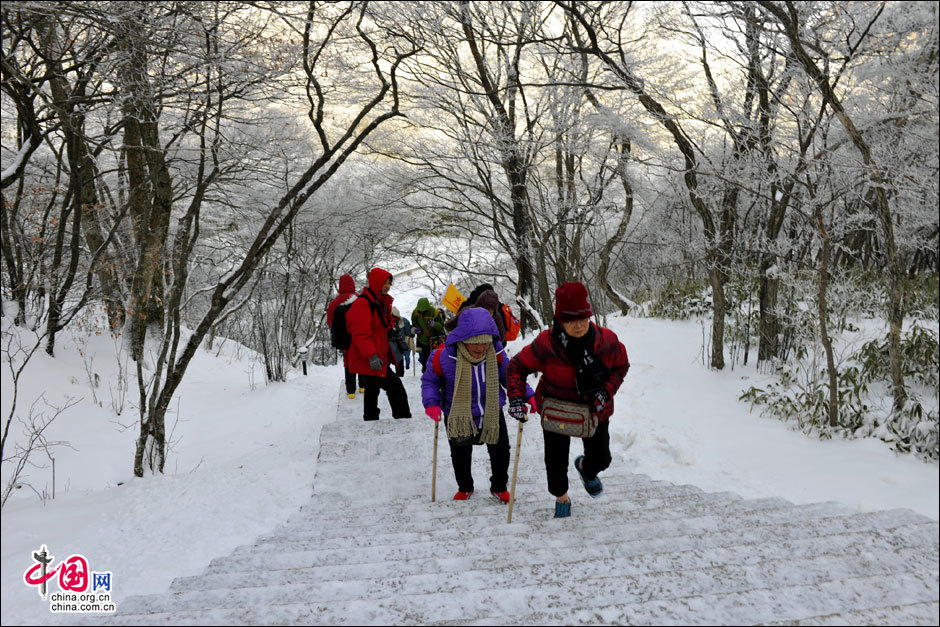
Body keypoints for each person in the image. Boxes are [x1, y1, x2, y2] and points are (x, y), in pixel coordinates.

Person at [507, 282, 629, 518]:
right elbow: (516, 367)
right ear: (559, 320)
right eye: (571, 319)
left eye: (583, 317)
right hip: (556, 409)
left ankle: (586, 468)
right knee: (555, 464)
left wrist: (606, 391)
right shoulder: (546, 344)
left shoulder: (606, 341)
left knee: (602, 459)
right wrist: (516, 398)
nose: (579, 324)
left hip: (595, 410)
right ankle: (561, 496)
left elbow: (621, 367)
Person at [422, 307, 533, 502]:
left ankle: (499, 486)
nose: (480, 347)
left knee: (501, 451)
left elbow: (511, 377)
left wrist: (528, 395)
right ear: (463, 338)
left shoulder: (496, 354)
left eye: (484, 342)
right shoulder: (444, 356)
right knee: (460, 452)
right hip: (458, 414)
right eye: (475, 343)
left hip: (491, 412)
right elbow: (430, 380)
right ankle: (465, 486)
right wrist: (431, 402)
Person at [346, 268, 412, 420]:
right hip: (370, 357)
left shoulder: (379, 302)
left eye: (389, 283)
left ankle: (370, 418)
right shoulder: (363, 304)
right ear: (376, 283)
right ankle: (403, 418)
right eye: (385, 282)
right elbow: (360, 334)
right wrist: (371, 356)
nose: (388, 286)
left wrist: (397, 337)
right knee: (395, 387)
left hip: (375, 356)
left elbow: (384, 327)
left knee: (371, 387)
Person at [326, 274, 362, 399]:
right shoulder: (359, 298)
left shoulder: (333, 303)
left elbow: (330, 322)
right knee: (361, 358)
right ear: (352, 284)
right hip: (358, 336)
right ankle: (362, 386)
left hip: (343, 338)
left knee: (348, 361)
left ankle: (351, 390)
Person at [412, 297, 447, 373]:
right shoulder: (415, 313)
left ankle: (433, 375)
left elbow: (441, 326)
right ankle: (426, 374)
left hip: (434, 341)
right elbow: (414, 324)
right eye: (420, 311)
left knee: (434, 361)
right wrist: (416, 329)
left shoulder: (435, 313)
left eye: (423, 311)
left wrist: (434, 324)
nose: (421, 313)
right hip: (422, 341)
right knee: (424, 361)